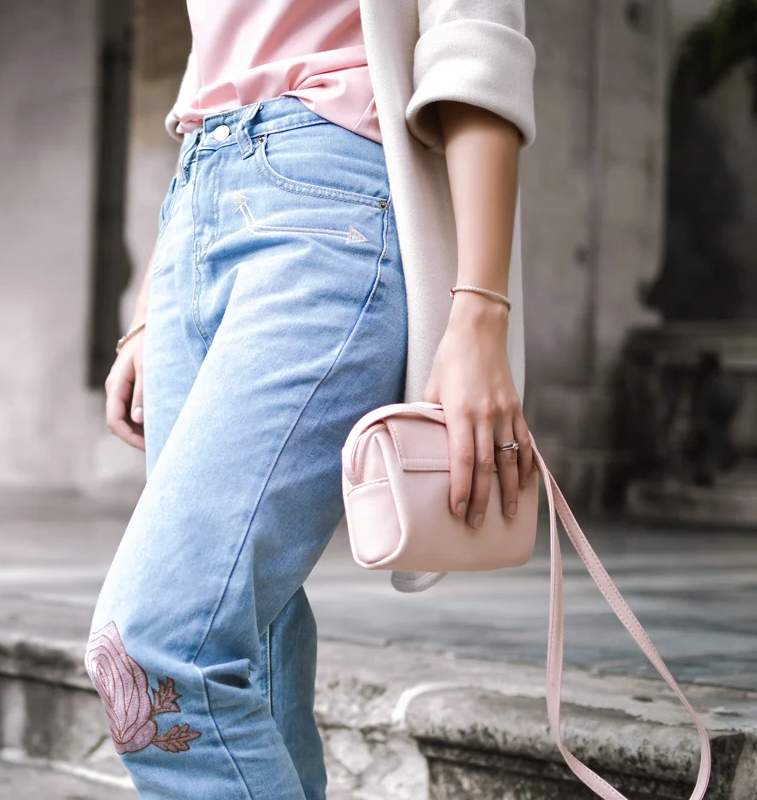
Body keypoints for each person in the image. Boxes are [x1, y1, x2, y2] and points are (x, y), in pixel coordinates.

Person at [87, 1, 537, 797]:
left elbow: (474, 44)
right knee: (248, 644)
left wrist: (480, 309)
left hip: (331, 203)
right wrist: (154, 300)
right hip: (198, 198)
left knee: (154, 651)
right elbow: (217, 62)